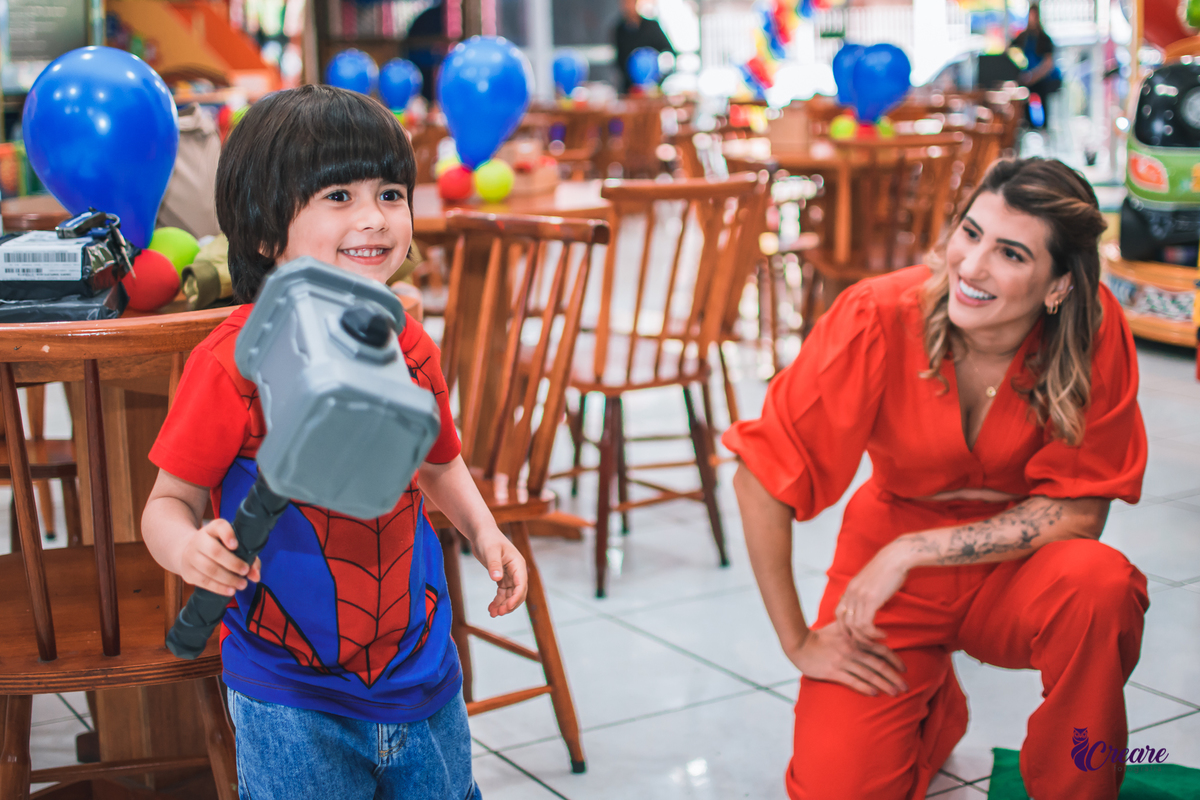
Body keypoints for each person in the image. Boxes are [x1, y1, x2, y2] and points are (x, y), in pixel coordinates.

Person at [141, 85, 527, 800]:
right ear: (263, 232)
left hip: (420, 671)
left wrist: (484, 528)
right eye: (339, 197)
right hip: (288, 695)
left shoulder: (408, 342)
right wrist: (186, 546)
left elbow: (440, 462)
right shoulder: (231, 362)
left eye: (390, 192)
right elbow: (166, 503)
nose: (375, 217)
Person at [725, 158, 1149, 800]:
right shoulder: (875, 313)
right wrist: (797, 641)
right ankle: (933, 708)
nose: (972, 267)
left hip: (1018, 570)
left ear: (1059, 284)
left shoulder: (1092, 328)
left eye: (1010, 253)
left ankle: (1075, 790)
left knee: (1101, 585)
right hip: (889, 571)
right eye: (970, 232)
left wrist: (915, 550)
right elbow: (762, 478)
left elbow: (1081, 514)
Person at [1012, 3, 1062, 128]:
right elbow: (1010, 49)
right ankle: (1026, 125)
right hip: (1028, 78)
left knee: (1041, 96)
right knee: (1022, 96)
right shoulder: (1023, 37)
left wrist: (1033, 76)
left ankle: (1043, 128)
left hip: (1044, 79)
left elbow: (1048, 64)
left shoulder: (1044, 39)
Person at [612, 0, 675, 92]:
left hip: (654, 87)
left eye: (630, 2)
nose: (627, 6)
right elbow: (619, 59)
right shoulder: (619, 30)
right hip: (630, 88)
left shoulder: (652, 26)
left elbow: (668, 50)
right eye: (624, 3)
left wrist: (661, 74)